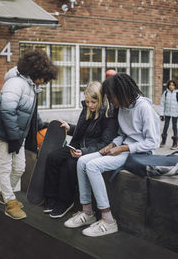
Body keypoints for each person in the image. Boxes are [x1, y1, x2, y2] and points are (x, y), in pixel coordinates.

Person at [64, 73, 160, 237]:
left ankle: (108, 220)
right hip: (123, 147)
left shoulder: (144, 108)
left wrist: (122, 149)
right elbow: (122, 134)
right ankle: (87, 212)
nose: (109, 101)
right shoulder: (122, 108)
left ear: (121, 93)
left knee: (93, 166)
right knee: (82, 162)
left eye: (111, 97)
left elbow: (153, 142)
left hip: (139, 152)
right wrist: (112, 144)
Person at [0, 49, 58, 220]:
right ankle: (10, 203)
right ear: (34, 71)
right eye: (41, 77)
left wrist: (43, 125)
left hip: (17, 135)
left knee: (19, 168)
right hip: (4, 134)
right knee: (5, 167)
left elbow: (31, 113)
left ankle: (6, 195)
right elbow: (7, 111)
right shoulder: (15, 83)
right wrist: (13, 137)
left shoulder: (31, 86)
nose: (42, 81)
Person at [43, 81, 119, 219]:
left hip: (92, 151)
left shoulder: (108, 114)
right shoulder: (87, 109)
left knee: (70, 164)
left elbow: (105, 143)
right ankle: (51, 198)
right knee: (53, 157)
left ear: (101, 99)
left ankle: (65, 202)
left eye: (93, 102)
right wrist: (70, 128)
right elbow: (82, 130)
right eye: (87, 101)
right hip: (77, 146)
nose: (90, 105)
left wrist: (84, 152)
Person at [160, 79, 178, 149]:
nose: (171, 86)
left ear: (175, 86)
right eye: (170, 85)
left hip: (175, 113)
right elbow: (162, 104)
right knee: (166, 126)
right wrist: (161, 114)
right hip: (167, 113)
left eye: (173, 85)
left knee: (174, 127)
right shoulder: (165, 93)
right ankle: (163, 141)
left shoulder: (177, 93)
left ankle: (175, 143)